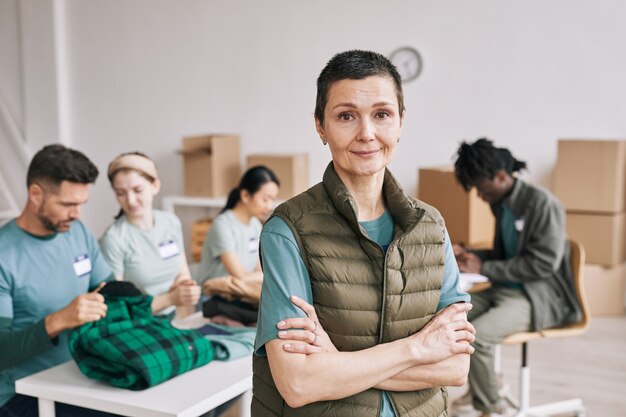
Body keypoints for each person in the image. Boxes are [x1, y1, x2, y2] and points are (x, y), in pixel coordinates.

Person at [251, 50, 476, 417]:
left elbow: (455, 368)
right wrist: (417, 348)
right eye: (346, 116)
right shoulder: (287, 230)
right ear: (320, 126)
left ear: (401, 122)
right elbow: (298, 383)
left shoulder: (431, 227)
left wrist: (337, 364)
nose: (366, 134)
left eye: (382, 115)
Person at [452, 138, 581, 417]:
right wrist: (471, 255)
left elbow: (542, 265)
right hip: (505, 289)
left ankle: (492, 408)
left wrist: (483, 268)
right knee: (453, 313)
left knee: (477, 338)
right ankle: (485, 386)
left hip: (537, 296)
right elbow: (506, 255)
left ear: (500, 176)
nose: (480, 196)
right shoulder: (502, 205)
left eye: (481, 188)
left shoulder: (542, 204)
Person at [0, 144, 119, 417]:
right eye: (68, 204)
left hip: (80, 373)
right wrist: (59, 320)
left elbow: (109, 289)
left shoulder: (78, 233)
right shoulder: (4, 256)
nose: (77, 213)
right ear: (35, 194)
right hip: (22, 393)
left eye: (81, 204)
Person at [99, 152, 200, 318]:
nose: (130, 200)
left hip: (173, 317)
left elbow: (181, 271)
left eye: (137, 190)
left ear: (155, 186)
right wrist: (170, 298)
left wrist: (185, 286)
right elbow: (117, 307)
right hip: (136, 325)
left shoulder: (170, 222)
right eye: (120, 193)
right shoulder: (114, 239)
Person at [198, 166, 279, 325]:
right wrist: (264, 277)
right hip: (218, 297)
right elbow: (239, 275)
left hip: (242, 292)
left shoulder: (255, 224)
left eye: (272, 200)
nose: (269, 206)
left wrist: (262, 277)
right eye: (265, 199)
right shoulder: (222, 225)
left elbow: (259, 268)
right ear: (245, 195)